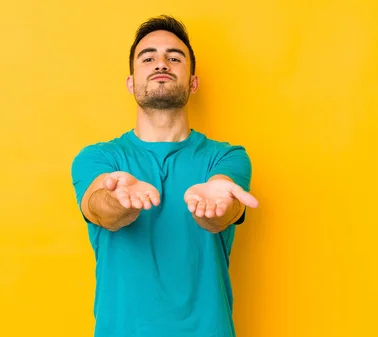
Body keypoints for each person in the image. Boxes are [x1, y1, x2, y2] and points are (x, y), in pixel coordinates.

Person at [70, 14, 258, 337]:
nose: (161, 64)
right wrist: (118, 201)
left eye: (174, 57)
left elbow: (227, 208)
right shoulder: (99, 158)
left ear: (193, 82)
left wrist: (220, 204)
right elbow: (97, 207)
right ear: (131, 83)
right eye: (148, 58)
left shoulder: (226, 158)